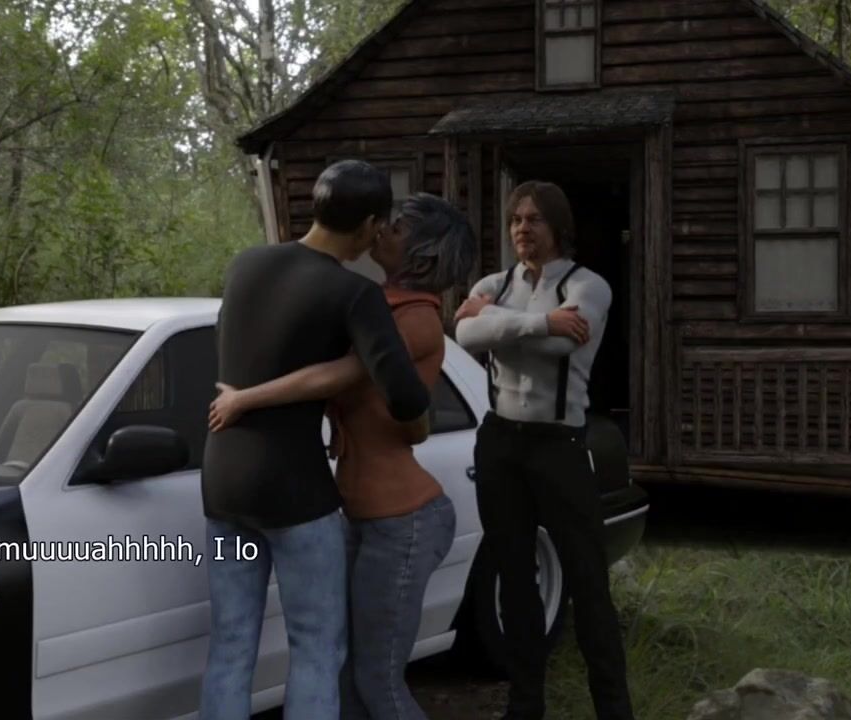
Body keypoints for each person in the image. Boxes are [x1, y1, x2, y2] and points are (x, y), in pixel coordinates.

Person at [208, 193, 476, 720]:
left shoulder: (413, 319)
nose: (383, 231)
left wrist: (244, 398)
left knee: (377, 680)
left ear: (422, 253)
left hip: (403, 520)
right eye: (384, 223)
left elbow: (339, 375)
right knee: (342, 674)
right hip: (357, 513)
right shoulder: (371, 301)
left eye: (397, 228)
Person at [453, 181, 635, 720]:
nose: (522, 229)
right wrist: (539, 321)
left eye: (533, 219)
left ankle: (614, 711)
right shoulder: (495, 282)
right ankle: (525, 705)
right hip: (500, 443)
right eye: (516, 220)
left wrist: (495, 323)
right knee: (515, 578)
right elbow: (464, 337)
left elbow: (560, 343)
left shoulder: (588, 285)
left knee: (588, 581)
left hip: (558, 445)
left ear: (558, 227)